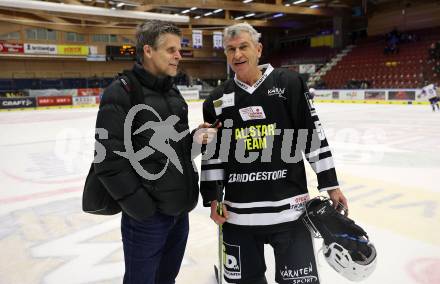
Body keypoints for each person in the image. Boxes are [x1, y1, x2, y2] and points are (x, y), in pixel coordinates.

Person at [200, 23, 348, 284]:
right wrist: (213, 198)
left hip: (291, 213)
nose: (237, 55)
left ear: (258, 49)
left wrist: (331, 185)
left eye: (243, 47)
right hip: (238, 216)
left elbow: (312, 136)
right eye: (230, 49)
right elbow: (213, 154)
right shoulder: (217, 99)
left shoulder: (289, 83)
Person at [94, 20, 217, 284]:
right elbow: (108, 161)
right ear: (148, 51)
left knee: (166, 280)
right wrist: (142, 210)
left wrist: (196, 138)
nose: (178, 56)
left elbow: (178, 151)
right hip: (146, 220)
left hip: (178, 213)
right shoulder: (122, 92)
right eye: (171, 49)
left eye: (179, 49)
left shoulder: (173, 95)